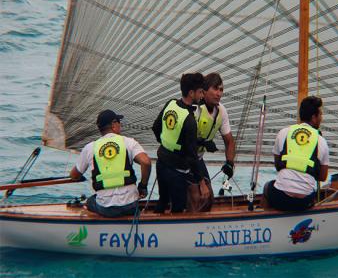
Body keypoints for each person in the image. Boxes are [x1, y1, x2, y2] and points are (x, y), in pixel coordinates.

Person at [70, 109, 151, 217]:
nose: (120, 125)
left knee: (90, 201)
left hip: (106, 209)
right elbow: (146, 162)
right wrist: (143, 186)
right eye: (119, 122)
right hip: (130, 206)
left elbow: (74, 175)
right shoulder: (129, 142)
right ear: (114, 124)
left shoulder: (90, 148)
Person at [152, 73, 209, 213]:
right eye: (200, 92)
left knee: (163, 201)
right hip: (176, 172)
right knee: (178, 208)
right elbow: (191, 155)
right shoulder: (189, 120)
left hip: (161, 164)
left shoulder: (170, 104)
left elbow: (156, 127)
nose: (202, 95)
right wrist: (202, 183)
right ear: (191, 93)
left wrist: (167, 145)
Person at [264, 96, 329, 211]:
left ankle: (264, 220)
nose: (321, 118)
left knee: (267, 187)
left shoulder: (283, 133)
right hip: (304, 201)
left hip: (280, 198)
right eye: (320, 115)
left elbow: (278, 165)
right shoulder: (321, 141)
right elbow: (323, 177)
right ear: (314, 117)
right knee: (310, 192)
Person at [195, 73, 235, 194]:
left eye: (221, 90)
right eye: (215, 89)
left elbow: (229, 142)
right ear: (204, 91)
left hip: (198, 159)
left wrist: (229, 163)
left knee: (209, 196)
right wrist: (204, 143)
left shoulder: (221, 111)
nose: (219, 94)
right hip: (181, 160)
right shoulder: (195, 109)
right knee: (195, 197)